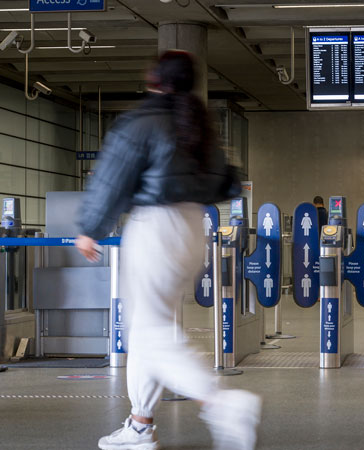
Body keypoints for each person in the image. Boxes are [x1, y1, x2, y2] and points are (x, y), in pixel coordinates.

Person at [75, 51, 261, 450]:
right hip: (195, 228)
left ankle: (221, 402)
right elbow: (227, 183)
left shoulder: (140, 120)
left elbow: (111, 178)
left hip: (155, 229)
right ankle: (140, 424)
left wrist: (90, 227)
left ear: (153, 78)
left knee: (149, 331)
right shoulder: (199, 124)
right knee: (150, 330)